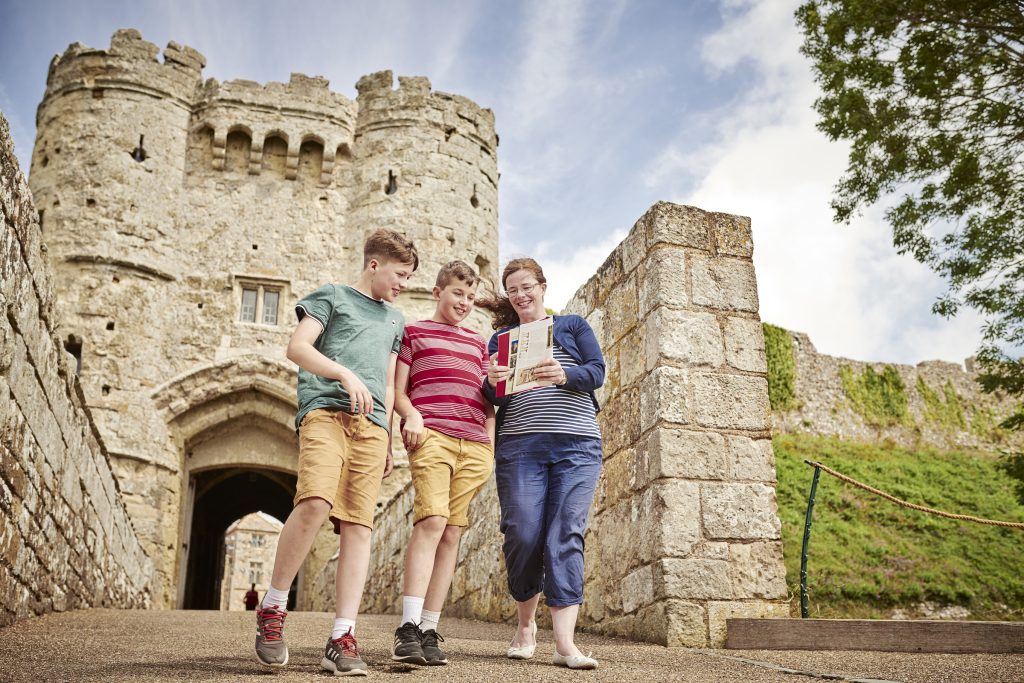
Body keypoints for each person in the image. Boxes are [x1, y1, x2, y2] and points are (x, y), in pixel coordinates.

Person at [253, 229, 418, 677]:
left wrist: (385, 434)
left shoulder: (395, 319)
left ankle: (342, 637)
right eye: (399, 274)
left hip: (371, 428)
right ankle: (272, 609)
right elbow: (297, 347)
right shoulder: (332, 297)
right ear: (374, 265)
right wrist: (343, 374)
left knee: (358, 527)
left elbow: (386, 382)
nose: (403, 283)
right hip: (325, 412)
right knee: (314, 503)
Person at [478, 257, 604, 670]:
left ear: (543, 286)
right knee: (522, 533)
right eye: (512, 289)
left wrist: (563, 373)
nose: (520, 294)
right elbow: (492, 397)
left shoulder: (571, 326)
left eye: (526, 286)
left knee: (565, 533)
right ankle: (526, 625)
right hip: (520, 447)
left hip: (577, 444)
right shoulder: (500, 340)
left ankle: (565, 644)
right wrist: (491, 379)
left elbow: (596, 372)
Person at [390, 260, 495, 667]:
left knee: (451, 533)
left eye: (471, 297)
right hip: (431, 436)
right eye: (458, 293)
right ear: (438, 292)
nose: (465, 302)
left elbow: (488, 400)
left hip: (473, 446)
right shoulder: (413, 333)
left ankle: (431, 628)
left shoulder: (478, 344)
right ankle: (408, 627)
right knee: (431, 522)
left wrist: (488, 442)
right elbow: (397, 391)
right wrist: (411, 415)